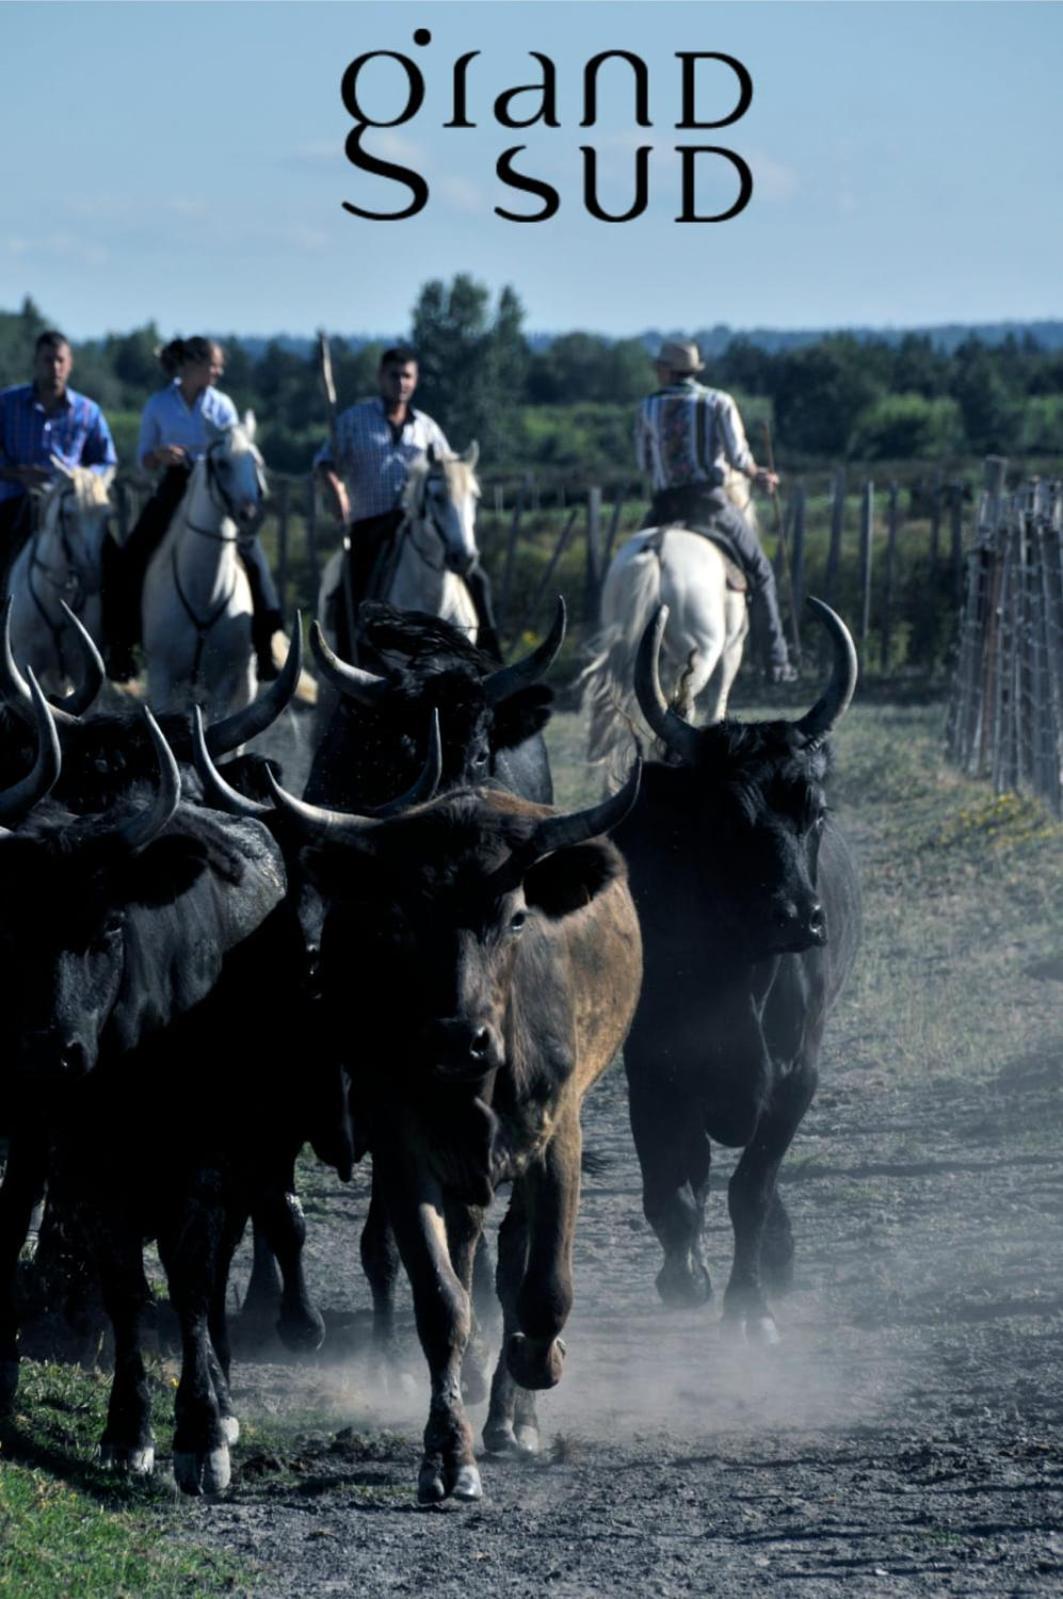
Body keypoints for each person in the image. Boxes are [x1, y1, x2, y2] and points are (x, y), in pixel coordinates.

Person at [103, 336, 283, 682]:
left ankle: (265, 646)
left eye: (218, 365)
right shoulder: (158, 404)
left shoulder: (223, 405)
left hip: (215, 490)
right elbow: (143, 460)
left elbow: (236, 448)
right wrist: (159, 455)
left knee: (253, 557)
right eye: (212, 364)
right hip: (174, 486)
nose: (218, 371)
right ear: (189, 365)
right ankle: (122, 648)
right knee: (132, 556)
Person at [314, 346, 501, 661]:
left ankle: (491, 659)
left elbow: (450, 471)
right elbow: (324, 462)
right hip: (370, 522)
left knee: (477, 578)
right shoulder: (354, 420)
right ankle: (350, 664)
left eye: (407, 376)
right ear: (380, 377)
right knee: (351, 586)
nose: (400, 382)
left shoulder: (427, 429)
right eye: (394, 375)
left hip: (416, 522)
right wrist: (336, 491)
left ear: (415, 381)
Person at [635, 339, 797, 683]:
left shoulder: (648, 406)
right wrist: (760, 476)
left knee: (630, 561)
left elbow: (644, 464)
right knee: (761, 571)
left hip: (664, 505)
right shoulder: (718, 402)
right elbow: (739, 459)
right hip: (709, 504)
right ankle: (776, 660)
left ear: (666, 371)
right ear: (693, 371)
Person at [0, 329, 117, 592]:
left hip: (72, 503)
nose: (54, 367)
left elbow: (107, 461)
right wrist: (15, 474)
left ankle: (115, 625)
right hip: (18, 499)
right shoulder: (7, 404)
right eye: (47, 360)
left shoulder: (88, 411)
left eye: (60, 360)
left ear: (70, 364)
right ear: (36, 363)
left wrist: (81, 479)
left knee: (111, 560)